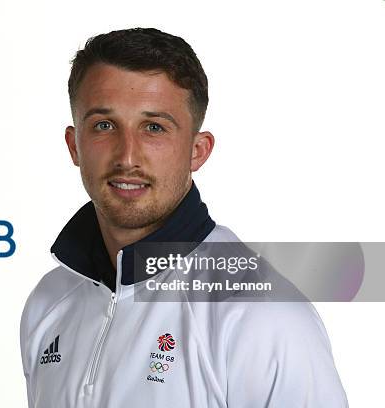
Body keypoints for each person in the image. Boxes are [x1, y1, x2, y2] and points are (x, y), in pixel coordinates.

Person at [19, 27, 348, 407]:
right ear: (74, 145)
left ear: (197, 150)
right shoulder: (49, 302)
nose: (127, 157)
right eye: (104, 126)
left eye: (154, 128)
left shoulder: (262, 315)